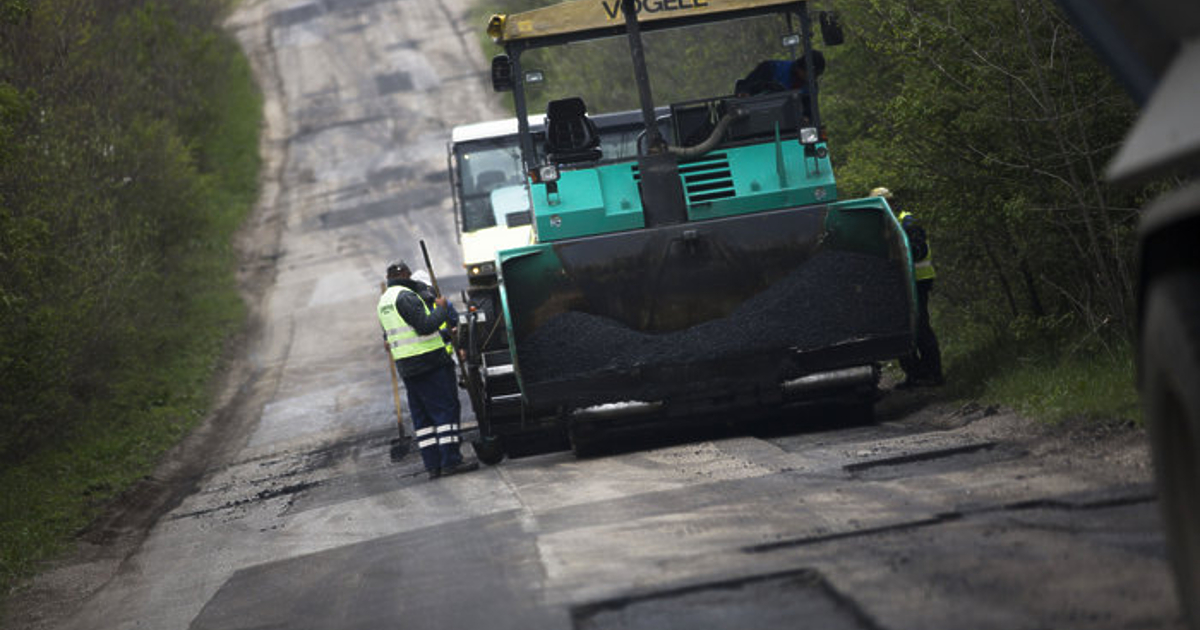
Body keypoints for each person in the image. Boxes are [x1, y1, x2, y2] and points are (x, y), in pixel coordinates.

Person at [377, 260, 477, 479]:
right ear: (404, 274)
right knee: (445, 410)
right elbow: (425, 326)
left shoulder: (384, 300)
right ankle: (451, 460)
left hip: (407, 366)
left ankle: (433, 465)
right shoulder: (406, 296)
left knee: (423, 417)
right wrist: (440, 310)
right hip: (429, 362)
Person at [871, 187, 944, 388]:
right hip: (898, 286)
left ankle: (934, 374)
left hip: (917, 282)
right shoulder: (881, 227)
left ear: (891, 203)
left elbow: (918, 251)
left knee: (920, 328)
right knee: (901, 331)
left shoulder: (907, 222)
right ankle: (916, 375)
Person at [735, 50, 825, 97]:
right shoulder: (771, 68)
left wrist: (806, 118)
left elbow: (809, 112)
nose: (813, 78)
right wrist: (745, 92)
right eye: (812, 74)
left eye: (816, 75)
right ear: (801, 68)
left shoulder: (811, 87)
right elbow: (746, 87)